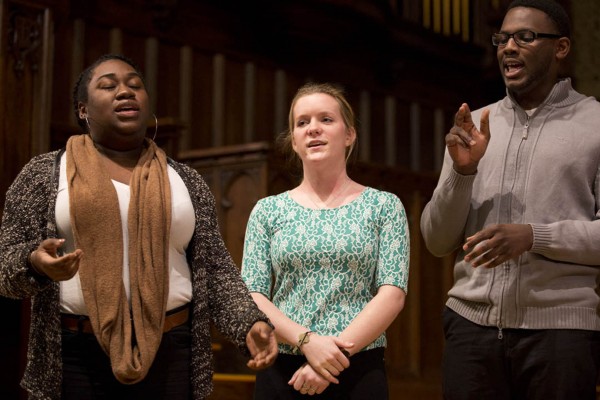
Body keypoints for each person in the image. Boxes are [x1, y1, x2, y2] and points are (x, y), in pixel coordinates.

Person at [0, 53, 277, 400]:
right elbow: (6, 268)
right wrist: (35, 262)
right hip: (74, 357)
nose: (125, 92)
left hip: (173, 352)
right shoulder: (44, 174)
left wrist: (249, 324)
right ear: (82, 109)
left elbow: (216, 270)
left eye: (135, 85)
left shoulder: (185, 180)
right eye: (108, 85)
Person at [420, 1, 600, 398]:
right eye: (502, 39)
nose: (509, 47)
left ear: (562, 48)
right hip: (470, 330)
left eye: (526, 37)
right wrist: (463, 173)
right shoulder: (474, 124)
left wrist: (535, 237)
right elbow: (435, 240)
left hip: (561, 333)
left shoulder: (596, 125)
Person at [241, 82, 410, 399]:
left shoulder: (384, 206)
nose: (313, 129)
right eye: (302, 122)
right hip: (284, 369)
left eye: (326, 119)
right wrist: (308, 341)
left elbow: (392, 294)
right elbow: (254, 294)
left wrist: (331, 358)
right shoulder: (268, 211)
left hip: (357, 365)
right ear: (293, 140)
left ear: (349, 135)